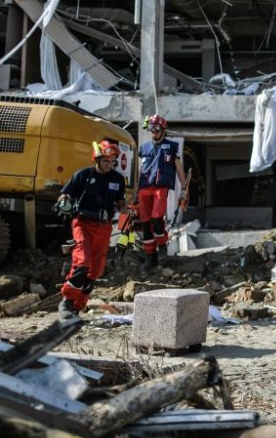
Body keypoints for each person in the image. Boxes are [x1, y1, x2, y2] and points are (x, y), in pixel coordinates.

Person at [57, 139, 128, 320]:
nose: (109, 165)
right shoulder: (83, 175)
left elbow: (119, 202)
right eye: (106, 161)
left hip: (104, 227)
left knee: (95, 270)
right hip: (83, 224)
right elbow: (66, 194)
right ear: (96, 159)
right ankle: (66, 301)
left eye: (112, 162)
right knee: (83, 262)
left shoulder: (118, 179)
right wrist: (63, 201)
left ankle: (77, 306)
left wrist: (126, 208)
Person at [137, 113, 187, 272]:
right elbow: (140, 170)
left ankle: (162, 247)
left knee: (157, 218)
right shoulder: (143, 147)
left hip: (160, 187)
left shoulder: (172, 147)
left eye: (157, 128)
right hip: (144, 187)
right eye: (151, 128)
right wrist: (132, 192)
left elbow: (179, 168)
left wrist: (184, 188)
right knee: (145, 224)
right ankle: (150, 257)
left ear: (163, 129)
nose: (154, 131)